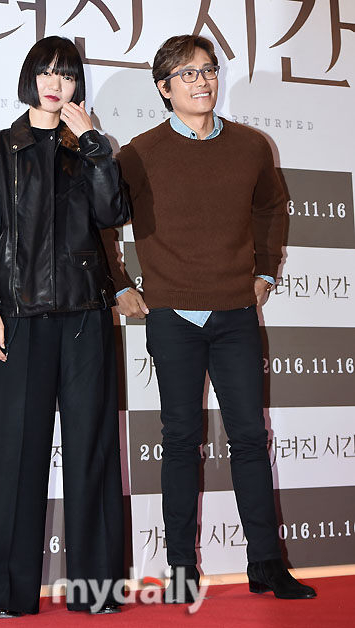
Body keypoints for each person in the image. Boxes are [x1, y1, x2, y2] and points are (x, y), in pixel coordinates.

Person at [101, 34, 316, 602]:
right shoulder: (140, 153)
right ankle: (180, 569)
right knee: (179, 440)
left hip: (236, 314)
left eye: (208, 70)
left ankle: (266, 564)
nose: (202, 81)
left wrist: (266, 270)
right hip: (173, 317)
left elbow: (271, 206)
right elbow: (101, 219)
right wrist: (119, 283)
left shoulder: (250, 146)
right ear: (164, 88)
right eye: (187, 73)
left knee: (249, 438)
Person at [0, 35, 130, 617]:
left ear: (78, 85)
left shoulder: (89, 150)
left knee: (93, 453)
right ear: (29, 79)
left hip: (85, 319)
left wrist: (95, 147)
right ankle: (8, 593)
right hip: (19, 321)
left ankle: (97, 590)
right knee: (16, 456)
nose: (56, 83)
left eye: (68, 73)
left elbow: (113, 213)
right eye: (47, 71)